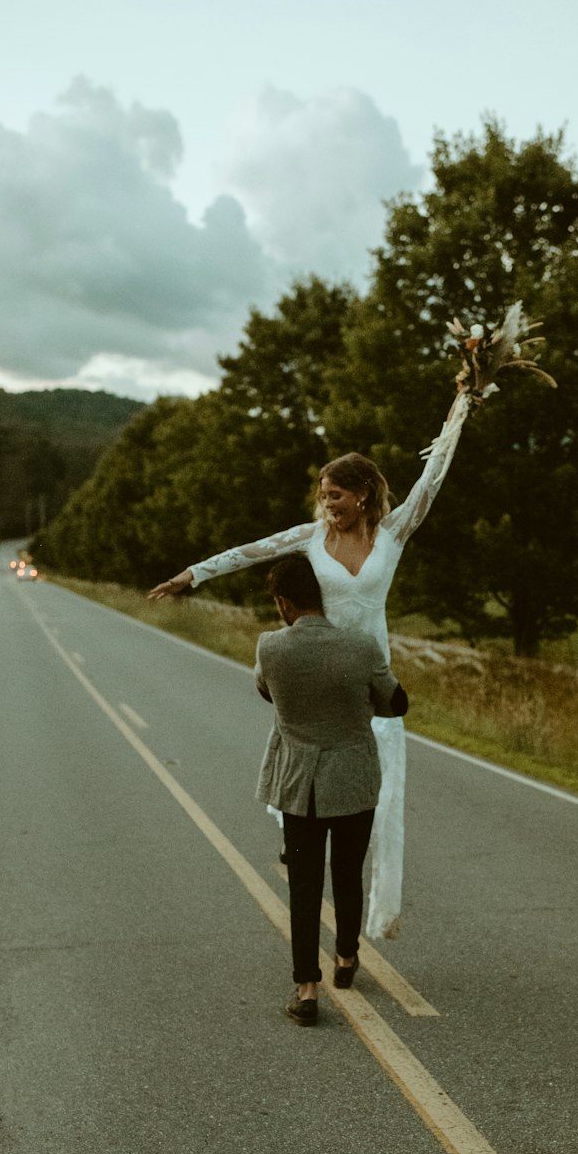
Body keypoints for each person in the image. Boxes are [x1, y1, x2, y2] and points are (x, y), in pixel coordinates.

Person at [148, 388, 473, 940]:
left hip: (369, 680)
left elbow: (434, 476)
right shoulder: (310, 537)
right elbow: (250, 551)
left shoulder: (393, 535)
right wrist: (192, 575)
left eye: (338, 495)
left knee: (376, 801)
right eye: (324, 494)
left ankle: (362, 922)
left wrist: (463, 402)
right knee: (307, 781)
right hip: (313, 678)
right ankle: (295, 838)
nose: (329, 503)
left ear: (366, 495)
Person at [254, 554, 409, 1026]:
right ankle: (345, 959)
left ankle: (306, 990)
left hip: (300, 784)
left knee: (303, 886)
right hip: (353, 780)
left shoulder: (271, 648)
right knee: (346, 873)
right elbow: (396, 703)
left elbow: (266, 692)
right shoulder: (360, 647)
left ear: (283, 602)